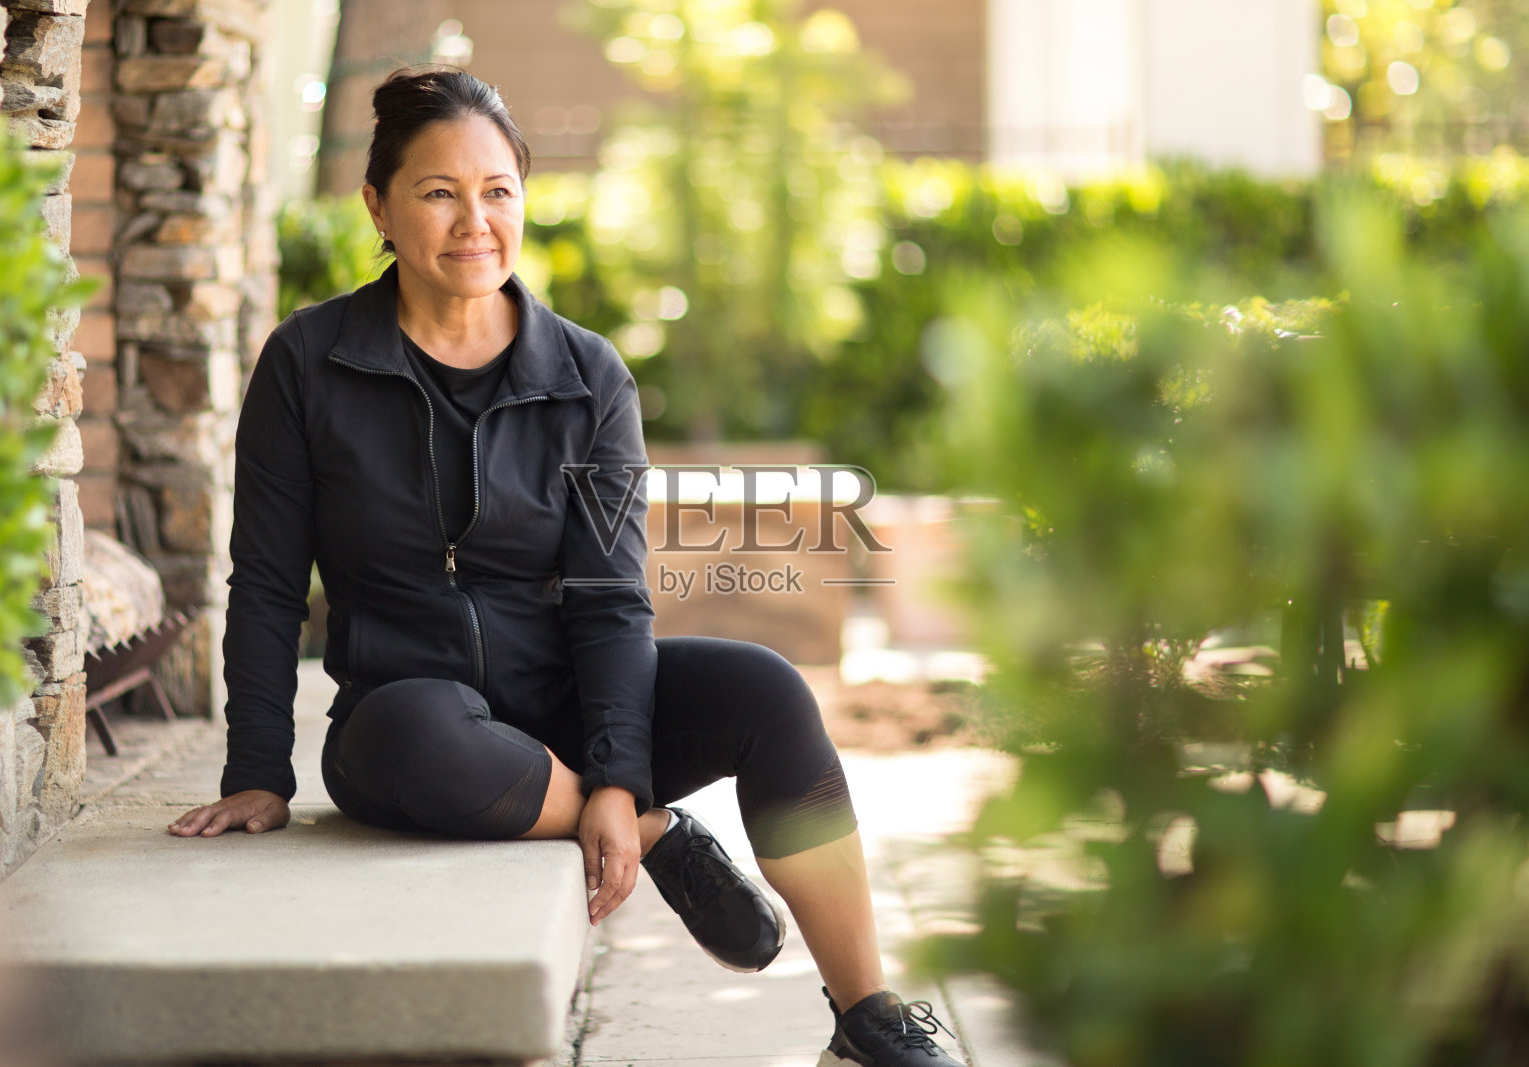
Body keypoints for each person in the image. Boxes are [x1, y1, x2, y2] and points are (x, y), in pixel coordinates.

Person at [165, 64, 963, 1067]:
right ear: (376, 202)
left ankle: (874, 1014)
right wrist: (254, 769)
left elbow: (608, 595)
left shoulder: (586, 374)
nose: (474, 222)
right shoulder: (308, 362)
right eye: (438, 192)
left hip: (568, 697)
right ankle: (668, 835)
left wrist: (614, 774)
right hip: (411, 720)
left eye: (498, 191)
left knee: (765, 686)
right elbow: (269, 578)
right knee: (419, 730)